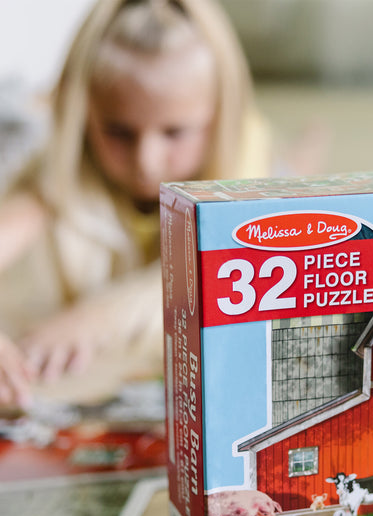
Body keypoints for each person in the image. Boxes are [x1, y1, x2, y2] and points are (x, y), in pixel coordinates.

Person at [0, 0, 271, 407]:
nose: (146, 161)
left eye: (175, 132)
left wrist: (99, 317)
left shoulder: (245, 158)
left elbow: (232, 264)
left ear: (219, 120)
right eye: (119, 132)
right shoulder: (59, 173)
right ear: (83, 116)